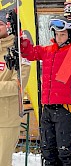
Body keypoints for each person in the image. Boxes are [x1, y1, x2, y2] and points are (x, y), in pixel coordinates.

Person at [20, 13, 71, 165]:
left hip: (66, 110)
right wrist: (20, 39)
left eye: (63, 34)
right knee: (48, 151)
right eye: (57, 34)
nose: (59, 38)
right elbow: (29, 52)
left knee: (67, 151)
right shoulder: (48, 51)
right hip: (47, 108)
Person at [0, 9, 31, 165]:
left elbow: (17, 86)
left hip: (6, 119)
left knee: (2, 161)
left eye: (0, 24)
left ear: (10, 26)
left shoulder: (20, 52)